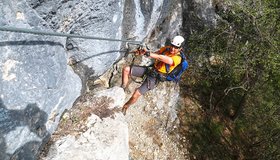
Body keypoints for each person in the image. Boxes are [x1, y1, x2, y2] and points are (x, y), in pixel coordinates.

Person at [121, 36, 185, 115]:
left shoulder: (177, 58)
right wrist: (142, 52)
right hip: (151, 70)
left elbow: (161, 58)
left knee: (136, 94)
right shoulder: (166, 49)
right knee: (126, 69)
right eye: (172, 46)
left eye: (176, 47)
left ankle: (126, 106)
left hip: (155, 78)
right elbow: (156, 53)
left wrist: (148, 54)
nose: (172, 48)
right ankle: (122, 89)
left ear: (180, 48)